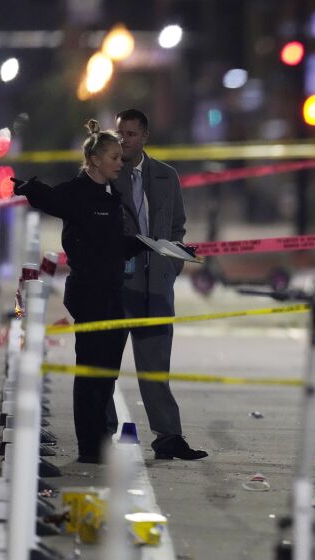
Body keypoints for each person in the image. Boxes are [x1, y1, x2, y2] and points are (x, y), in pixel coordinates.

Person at [13, 120, 145, 463]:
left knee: (107, 371)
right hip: (89, 292)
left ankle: (101, 440)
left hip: (113, 290)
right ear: (96, 160)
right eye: (115, 157)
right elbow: (52, 200)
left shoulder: (111, 195)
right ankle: (91, 447)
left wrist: (148, 245)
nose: (121, 162)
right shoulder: (78, 191)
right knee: (91, 370)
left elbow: (110, 243)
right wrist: (29, 187)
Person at [111, 108, 206, 460]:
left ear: (145, 137)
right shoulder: (109, 174)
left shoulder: (166, 176)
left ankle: (168, 437)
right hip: (119, 284)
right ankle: (101, 436)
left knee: (155, 369)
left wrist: (170, 267)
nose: (124, 140)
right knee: (104, 365)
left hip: (156, 288)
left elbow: (178, 225)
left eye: (131, 134)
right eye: (119, 133)